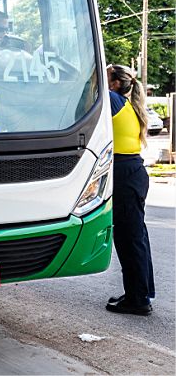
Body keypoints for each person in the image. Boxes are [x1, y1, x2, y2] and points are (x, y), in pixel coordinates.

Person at [105, 63, 155, 316]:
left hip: (125, 174)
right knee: (136, 237)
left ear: (114, 83)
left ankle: (138, 300)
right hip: (132, 171)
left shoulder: (114, 99)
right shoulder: (129, 104)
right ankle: (140, 293)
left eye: (105, 75)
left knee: (129, 239)